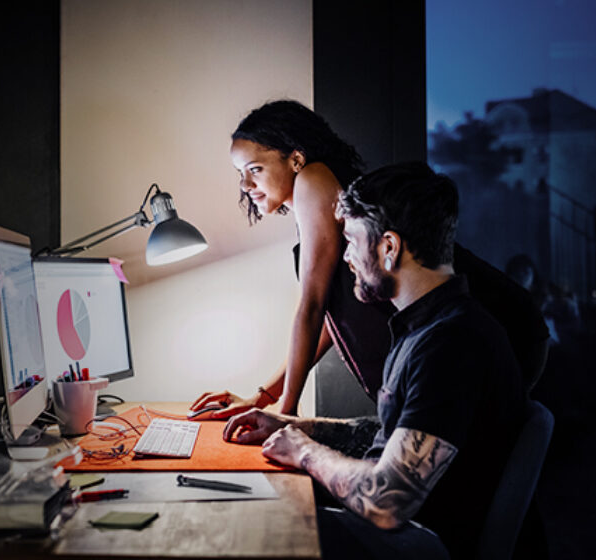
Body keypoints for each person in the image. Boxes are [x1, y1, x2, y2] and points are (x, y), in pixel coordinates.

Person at [223, 163, 527, 560]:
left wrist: (303, 451)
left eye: (350, 240)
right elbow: (386, 434)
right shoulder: (426, 326)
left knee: (235, 527)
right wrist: (289, 425)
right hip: (396, 533)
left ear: (388, 247)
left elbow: (387, 501)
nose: (346, 256)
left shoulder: (451, 344)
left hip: (411, 543)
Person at [191, 100, 548, 420]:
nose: (245, 185)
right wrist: (265, 398)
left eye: (254, 169)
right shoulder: (322, 195)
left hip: (499, 319)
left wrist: (284, 413)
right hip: (493, 334)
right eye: (240, 174)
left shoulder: (313, 180)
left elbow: (312, 305)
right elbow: (330, 316)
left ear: (296, 159)